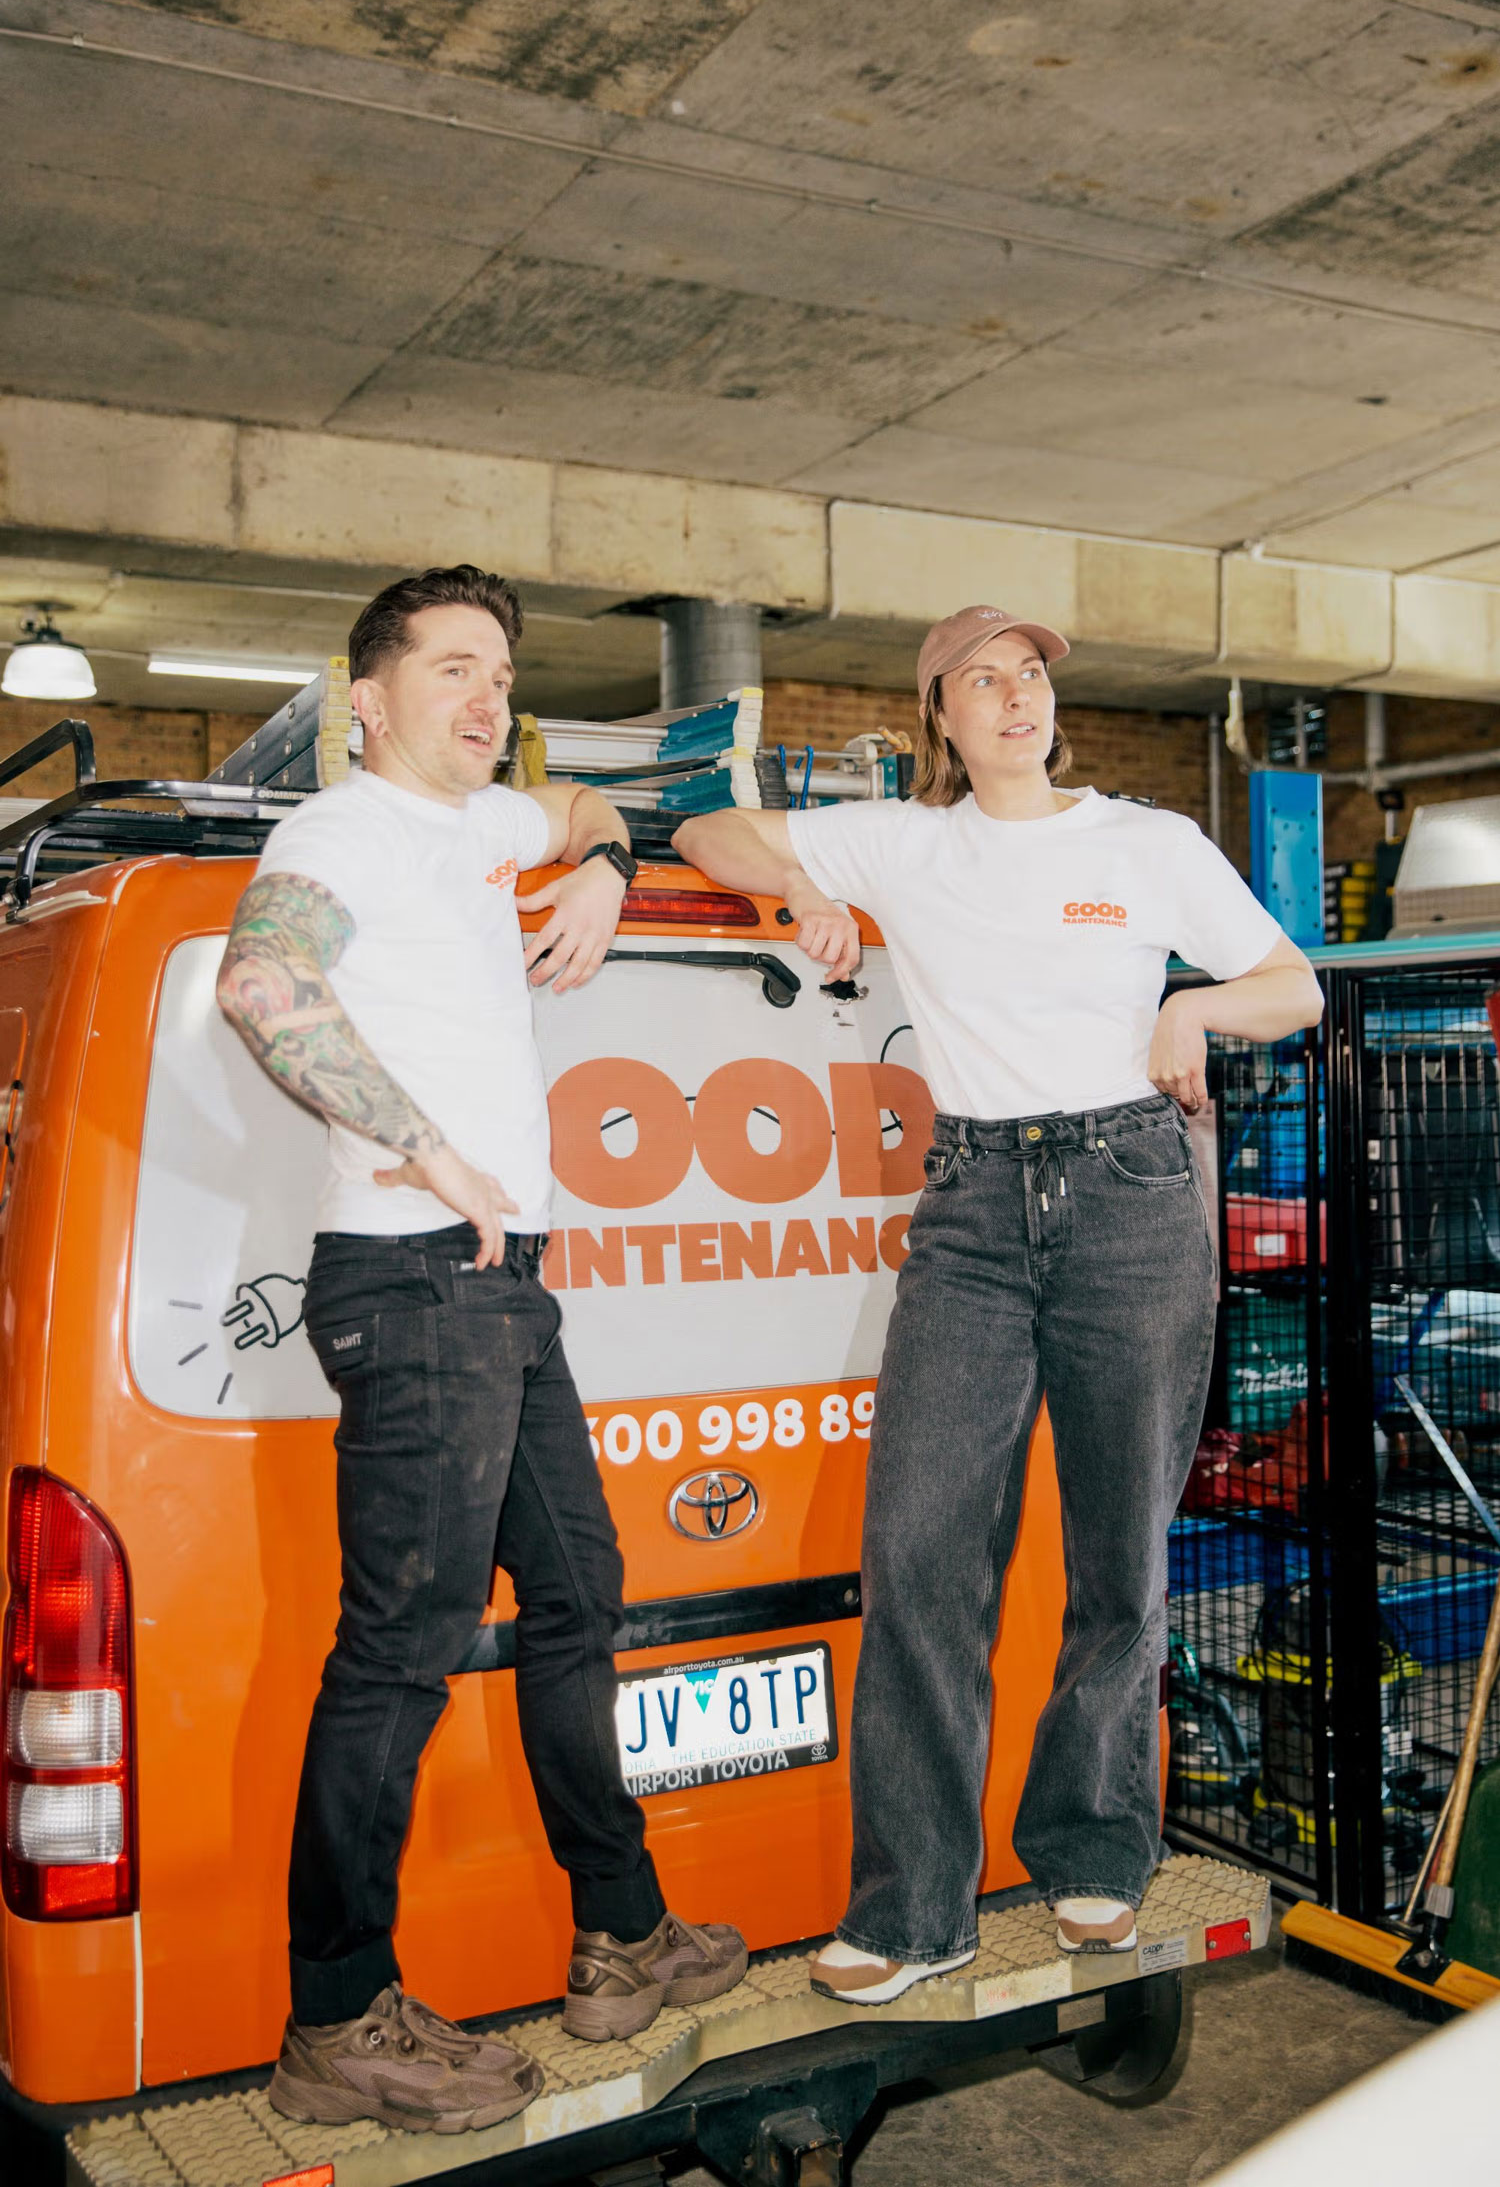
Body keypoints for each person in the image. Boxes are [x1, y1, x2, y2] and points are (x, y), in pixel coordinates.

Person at [673, 604, 1323, 2004]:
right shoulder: (905, 841)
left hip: (1132, 1190)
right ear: (943, 718)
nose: (1018, 695)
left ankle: (1092, 1846)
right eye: (984, 679)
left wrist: (1192, 1011)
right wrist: (806, 896)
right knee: (918, 1554)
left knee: (1119, 1557)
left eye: (1031, 674)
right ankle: (913, 1909)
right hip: (969, 1205)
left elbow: (1294, 985)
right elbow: (708, 832)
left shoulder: (1147, 842)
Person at [217, 565, 746, 2134]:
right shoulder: (343, 833)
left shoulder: (482, 823)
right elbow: (262, 981)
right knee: (400, 1651)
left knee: (579, 1594)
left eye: (501, 673)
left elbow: (580, 806)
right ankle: (334, 2017)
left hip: (502, 1291)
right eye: (452, 667)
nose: (487, 695)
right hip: (414, 1277)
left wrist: (608, 870)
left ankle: (622, 1932)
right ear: (369, 698)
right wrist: (425, 1144)